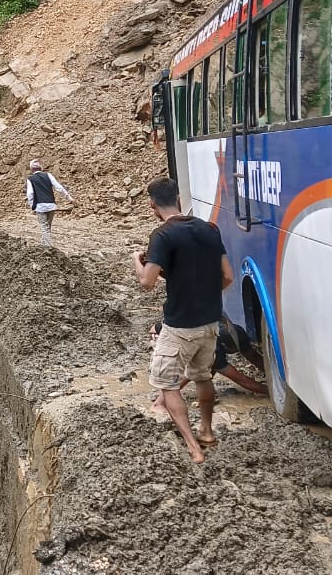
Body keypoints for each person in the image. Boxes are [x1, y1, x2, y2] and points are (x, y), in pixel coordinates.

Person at [132, 177, 235, 463]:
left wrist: (135, 260)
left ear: (152, 205)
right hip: (211, 322)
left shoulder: (162, 235)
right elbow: (227, 276)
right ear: (178, 197)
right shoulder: (210, 229)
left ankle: (192, 446)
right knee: (202, 376)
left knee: (165, 382)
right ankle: (207, 431)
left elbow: (147, 282)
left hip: (180, 325)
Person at [25, 160, 75, 246]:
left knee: (44, 228)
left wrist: (32, 207)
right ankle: (44, 245)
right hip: (51, 205)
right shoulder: (48, 175)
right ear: (41, 168)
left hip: (40, 207)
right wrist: (68, 197)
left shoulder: (30, 179)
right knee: (48, 227)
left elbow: (30, 194)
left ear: (31, 170)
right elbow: (58, 187)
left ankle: (48, 248)